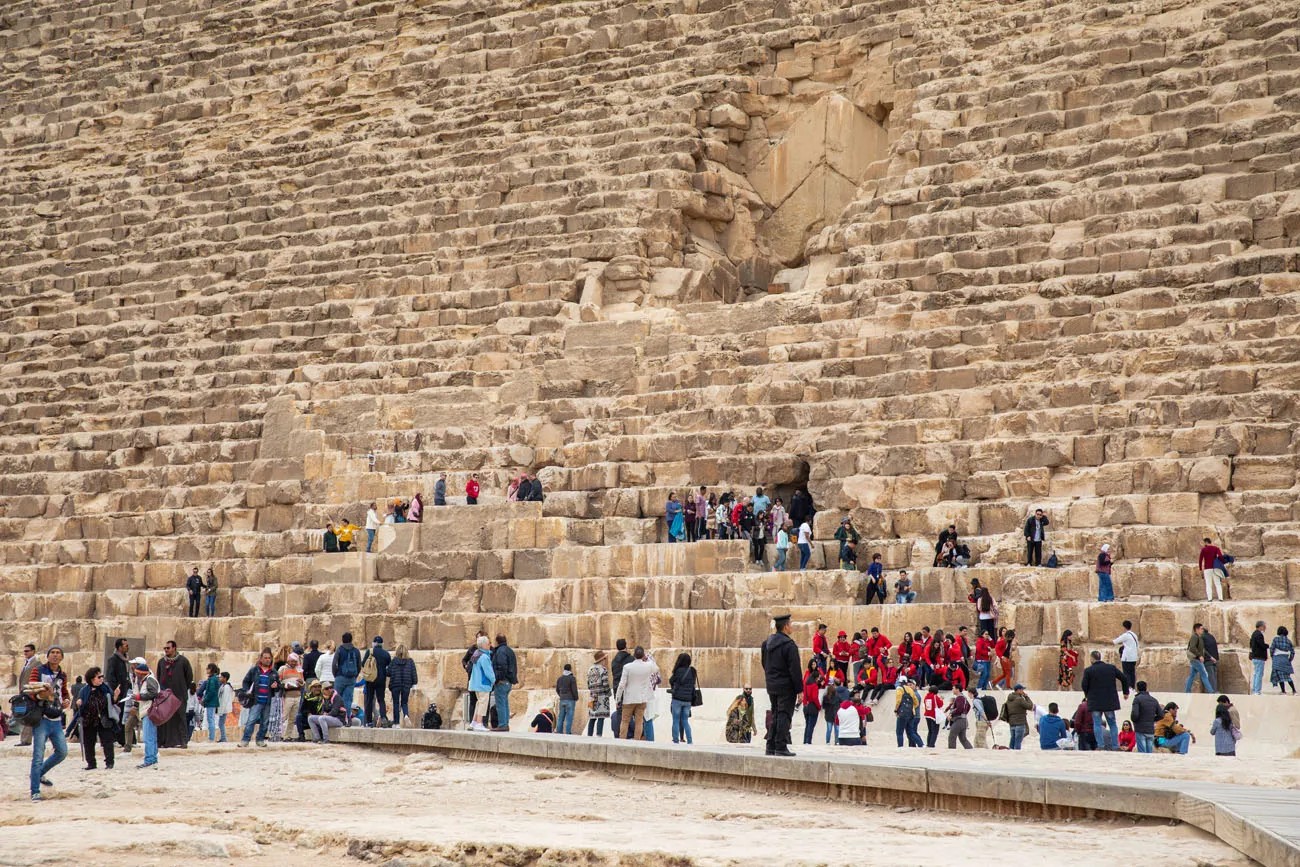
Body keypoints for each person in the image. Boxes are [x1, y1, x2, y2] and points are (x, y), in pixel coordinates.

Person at [26, 647, 71, 799]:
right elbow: (30, 691)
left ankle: (38, 774)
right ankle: (35, 791)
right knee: (38, 754)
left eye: (58, 653)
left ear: (62, 657)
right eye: (53, 653)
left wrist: (66, 701)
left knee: (62, 752)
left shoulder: (62, 675)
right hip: (42, 718)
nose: (55, 655)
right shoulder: (38, 671)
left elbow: (64, 692)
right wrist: (42, 697)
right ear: (47, 656)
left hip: (56, 718)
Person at [761, 610, 802, 757]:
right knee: (784, 715)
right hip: (786, 686)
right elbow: (795, 670)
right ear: (785, 627)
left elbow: (764, 663)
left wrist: (772, 678)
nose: (791, 627)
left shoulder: (766, 644)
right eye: (790, 624)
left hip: (772, 685)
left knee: (776, 714)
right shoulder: (789, 645)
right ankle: (781, 746)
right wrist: (800, 690)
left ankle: (770, 745)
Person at [1079, 649, 1128, 750]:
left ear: (1092, 659)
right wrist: (1125, 692)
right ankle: (1115, 746)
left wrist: (1087, 695)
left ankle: (1100, 745)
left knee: (1097, 723)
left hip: (1095, 701)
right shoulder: (1111, 668)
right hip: (1109, 701)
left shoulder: (1089, 670)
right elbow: (1123, 678)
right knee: (1112, 724)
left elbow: (1084, 685)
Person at [615, 646, 659, 741]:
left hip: (629, 699)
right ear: (643, 655)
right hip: (642, 699)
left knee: (625, 721)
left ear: (634, 655)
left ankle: (622, 742)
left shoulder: (627, 667)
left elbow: (622, 684)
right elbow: (656, 668)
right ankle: (637, 742)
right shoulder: (648, 666)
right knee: (639, 722)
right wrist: (648, 660)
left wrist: (618, 698)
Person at [237, 648, 280, 747]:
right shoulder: (254, 670)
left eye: (269, 658)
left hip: (268, 701)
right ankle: (245, 740)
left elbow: (279, 686)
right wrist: (247, 690)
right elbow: (246, 681)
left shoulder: (274, 672)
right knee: (251, 721)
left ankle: (260, 740)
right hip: (256, 701)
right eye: (265, 658)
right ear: (261, 658)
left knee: (265, 723)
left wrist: (276, 686)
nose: (267, 660)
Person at [155, 641, 193, 748]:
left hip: (179, 694)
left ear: (174, 648)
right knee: (164, 718)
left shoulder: (183, 661)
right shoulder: (161, 662)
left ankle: (183, 741)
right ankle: (163, 741)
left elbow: (189, 677)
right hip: (165, 696)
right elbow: (159, 676)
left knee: (180, 717)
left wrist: (182, 688)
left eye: (168, 648)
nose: (166, 650)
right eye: (165, 648)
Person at [78, 667, 116, 770]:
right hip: (89, 720)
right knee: (89, 742)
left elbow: (112, 701)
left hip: (103, 719)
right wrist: (79, 703)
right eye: (99, 677)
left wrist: (115, 697)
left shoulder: (105, 688)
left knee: (107, 741)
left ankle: (109, 762)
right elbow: (81, 702)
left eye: (102, 676)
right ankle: (91, 763)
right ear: (92, 679)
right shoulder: (84, 690)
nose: (101, 679)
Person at [128, 658, 161, 770]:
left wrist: (139, 697)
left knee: (148, 737)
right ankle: (152, 758)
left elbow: (154, 693)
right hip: (145, 711)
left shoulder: (149, 680)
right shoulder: (143, 681)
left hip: (150, 711)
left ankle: (149, 760)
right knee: (151, 736)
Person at [361, 636, 391, 728]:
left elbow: (363, 664)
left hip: (370, 679)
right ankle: (383, 717)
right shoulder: (386, 654)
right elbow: (389, 667)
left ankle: (369, 721)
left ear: (374, 643)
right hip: (381, 680)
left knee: (369, 700)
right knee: (381, 700)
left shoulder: (370, 651)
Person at [668, 653, 698, 745]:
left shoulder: (678, 671)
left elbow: (671, 681)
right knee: (685, 721)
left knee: (676, 720)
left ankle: (676, 740)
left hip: (677, 699)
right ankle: (690, 741)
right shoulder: (692, 671)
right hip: (688, 701)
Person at [468, 635, 496, 732]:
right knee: (483, 703)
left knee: (479, 703)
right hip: (483, 684)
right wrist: (493, 680)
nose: (490, 645)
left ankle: (474, 722)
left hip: (475, 683)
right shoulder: (484, 657)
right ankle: (479, 723)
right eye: (488, 643)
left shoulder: (476, 654)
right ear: (484, 645)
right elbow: (488, 671)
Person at [491, 634, 518, 731]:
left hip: (502, 682)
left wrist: (497, 679)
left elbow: (502, 667)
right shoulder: (509, 650)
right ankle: (505, 723)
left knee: (500, 704)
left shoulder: (500, 651)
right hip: (508, 682)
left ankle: (502, 724)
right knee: (505, 703)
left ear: (496, 641)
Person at [387, 644, 417, 727]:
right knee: (404, 702)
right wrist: (414, 684)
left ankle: (396, 723)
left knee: (396, 703)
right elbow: (413, 673)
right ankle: (406, 715)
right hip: (406, 685)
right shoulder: (410, 661)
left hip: (395, 685)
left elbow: (388, 672)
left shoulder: (394, 661)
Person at [609, 639, 633, 739]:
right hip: (629, 691)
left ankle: (619, 734)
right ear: (625, 646)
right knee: (630, 713)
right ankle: (630, 734)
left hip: (617, 690)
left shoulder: (614, 661)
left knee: (619, 712)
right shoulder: (631, 659)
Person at [1130, 681, 1161, 754]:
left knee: (1142, 753)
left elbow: (1135, 714)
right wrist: (1152, 720)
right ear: (1146, 688)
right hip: (1150, 729)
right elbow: (1161, 715)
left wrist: (1134, 720)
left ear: (1137, 689)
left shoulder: (1137, 699)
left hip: (1140, 729)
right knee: (1149, 752)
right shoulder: (1154, 700)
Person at [17, 642, 39, 747]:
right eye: (24, 651)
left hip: (30, 694)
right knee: (22, 715)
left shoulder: (37, 663)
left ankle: (26, 740)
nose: (25, 653)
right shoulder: (27, 663)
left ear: (33, 651)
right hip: (23, 695)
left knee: (27, 716)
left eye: (27, 651)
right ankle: (24, 739)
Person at [332, 633, 361, 709]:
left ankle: (338, 718)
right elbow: (359, 666)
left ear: (342, 640)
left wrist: (336, 675)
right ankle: (347, 718)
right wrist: (355, 676)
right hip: (351, 679)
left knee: (336, 699)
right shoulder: (356, 651)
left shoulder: (339, 650)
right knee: (348, 700)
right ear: (351, 640)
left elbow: (334, 664)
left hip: (340, 677)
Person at [586, 651, 611, 737]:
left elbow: (588, 684)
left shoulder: (590, 669)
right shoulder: (603, 670)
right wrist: (609, 693)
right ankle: (599, 736)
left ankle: (589, 735)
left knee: (592, 717)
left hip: (592, 696)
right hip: (601, 697)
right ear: (602, 659)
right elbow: (605, 684)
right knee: (601, 717)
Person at [894, 677, 923, 748]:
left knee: (899, 732)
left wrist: (896, 710)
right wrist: (912, 708)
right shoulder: (910, 689)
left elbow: (898, 701)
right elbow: (916, 702)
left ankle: (900, 746)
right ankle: (921, 744)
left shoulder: (899, 689)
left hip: (902, 713)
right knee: (911, 731)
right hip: (911, 713)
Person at [1004, 685, 1034, 750]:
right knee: (1018, 741)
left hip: (1011, 722)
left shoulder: (1009, 699)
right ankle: (1016, 755)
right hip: (1020, 722)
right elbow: (1030, 706)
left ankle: (1010, 753)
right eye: (1022, 690)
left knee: (1012, 739)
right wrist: (1026, 697)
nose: (1023, 691)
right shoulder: (1020, 699)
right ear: (1018, 690)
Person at [1185, 623, 1213, 693]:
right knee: (1204, 674)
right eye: (1201, 628)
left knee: (1192, 675)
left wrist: (1210, 657)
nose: (1202, 630)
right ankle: (1210, 691)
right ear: (1197, 629)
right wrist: (1199, 656)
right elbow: (1192, 648)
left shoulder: (1199, 637)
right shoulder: (1194, 637)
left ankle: (1187, 691)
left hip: (1196, 659)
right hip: (1195, 659)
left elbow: (1203, 649)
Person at [1113, 621, 1140, 689]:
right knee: (1132, 673)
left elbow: (1115, 641)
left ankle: (1128, 687)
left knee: (1126, 673)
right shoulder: (1134, 635)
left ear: (1124, 627)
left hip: (1127, 657)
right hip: (1134, 657)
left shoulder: (1125, 635)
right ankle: (1132, 687)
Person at [200, 663, 223, 742]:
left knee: (210, 719)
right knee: (211, 719)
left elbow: (211, 692)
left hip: (211, 702)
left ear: (211, 669)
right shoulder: (213, 678)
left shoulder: (212, 679)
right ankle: (211, 737)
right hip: (212, 701)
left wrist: (204, 700)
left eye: (208, 668)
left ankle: (211, 738)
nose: (206, 670)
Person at [1198, 537, 1226, 601]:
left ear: (1206, 542)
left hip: (1207, 569)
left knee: (1208, 584)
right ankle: (1220, 598)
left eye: (1203, 543)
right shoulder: (1216, 548)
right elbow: (1221, 557)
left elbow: (1200, 560)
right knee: (1217, 583)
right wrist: (1222, 563)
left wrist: (1200, 569)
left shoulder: (1203, 549)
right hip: (1215, 568)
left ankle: (1209, 599)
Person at [555, 663, 578, 735]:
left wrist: (561, 695)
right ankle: (567, 733)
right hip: (570, 700)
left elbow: (557, 689)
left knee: (560, 717)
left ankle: (559, 732)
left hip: (562, 700)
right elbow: (574, 690)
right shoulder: (572, 678)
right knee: (569, 718)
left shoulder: (560, 678)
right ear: (570, 669)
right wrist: (576, 698)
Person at [1270, 625, 1295, 693]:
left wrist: (1272, 656)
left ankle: (1283, 691)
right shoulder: (1289, 641)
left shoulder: (1276, 639)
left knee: (1280, 676)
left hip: (1277, 659)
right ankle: (1294, 690)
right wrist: (1289, 660)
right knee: (1287, 676)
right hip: (1285, 659)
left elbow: (1272, 649)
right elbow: (1292, 652)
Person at [1250, 620, 1269, 695]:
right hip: (1259, 657)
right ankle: (1257, 691)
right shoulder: (1259, 634)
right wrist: (1267, 646)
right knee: (1259, 674)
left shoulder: (1254, 634)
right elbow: (1261, 645)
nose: (1265, 628)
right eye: (1264, 627)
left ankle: (1255, 689)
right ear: (1261, 627)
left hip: (1255, 657)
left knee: (1256, 674)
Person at [1201, 627, 1221, 692]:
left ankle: (1212, 692)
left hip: (1208, 660)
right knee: (1214, 677)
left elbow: (1203, 649)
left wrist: (1209, 657)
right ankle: (1214, 691)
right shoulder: (1211, 636)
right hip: (1215, 659)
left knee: (1210, 677)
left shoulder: (1202, 637)